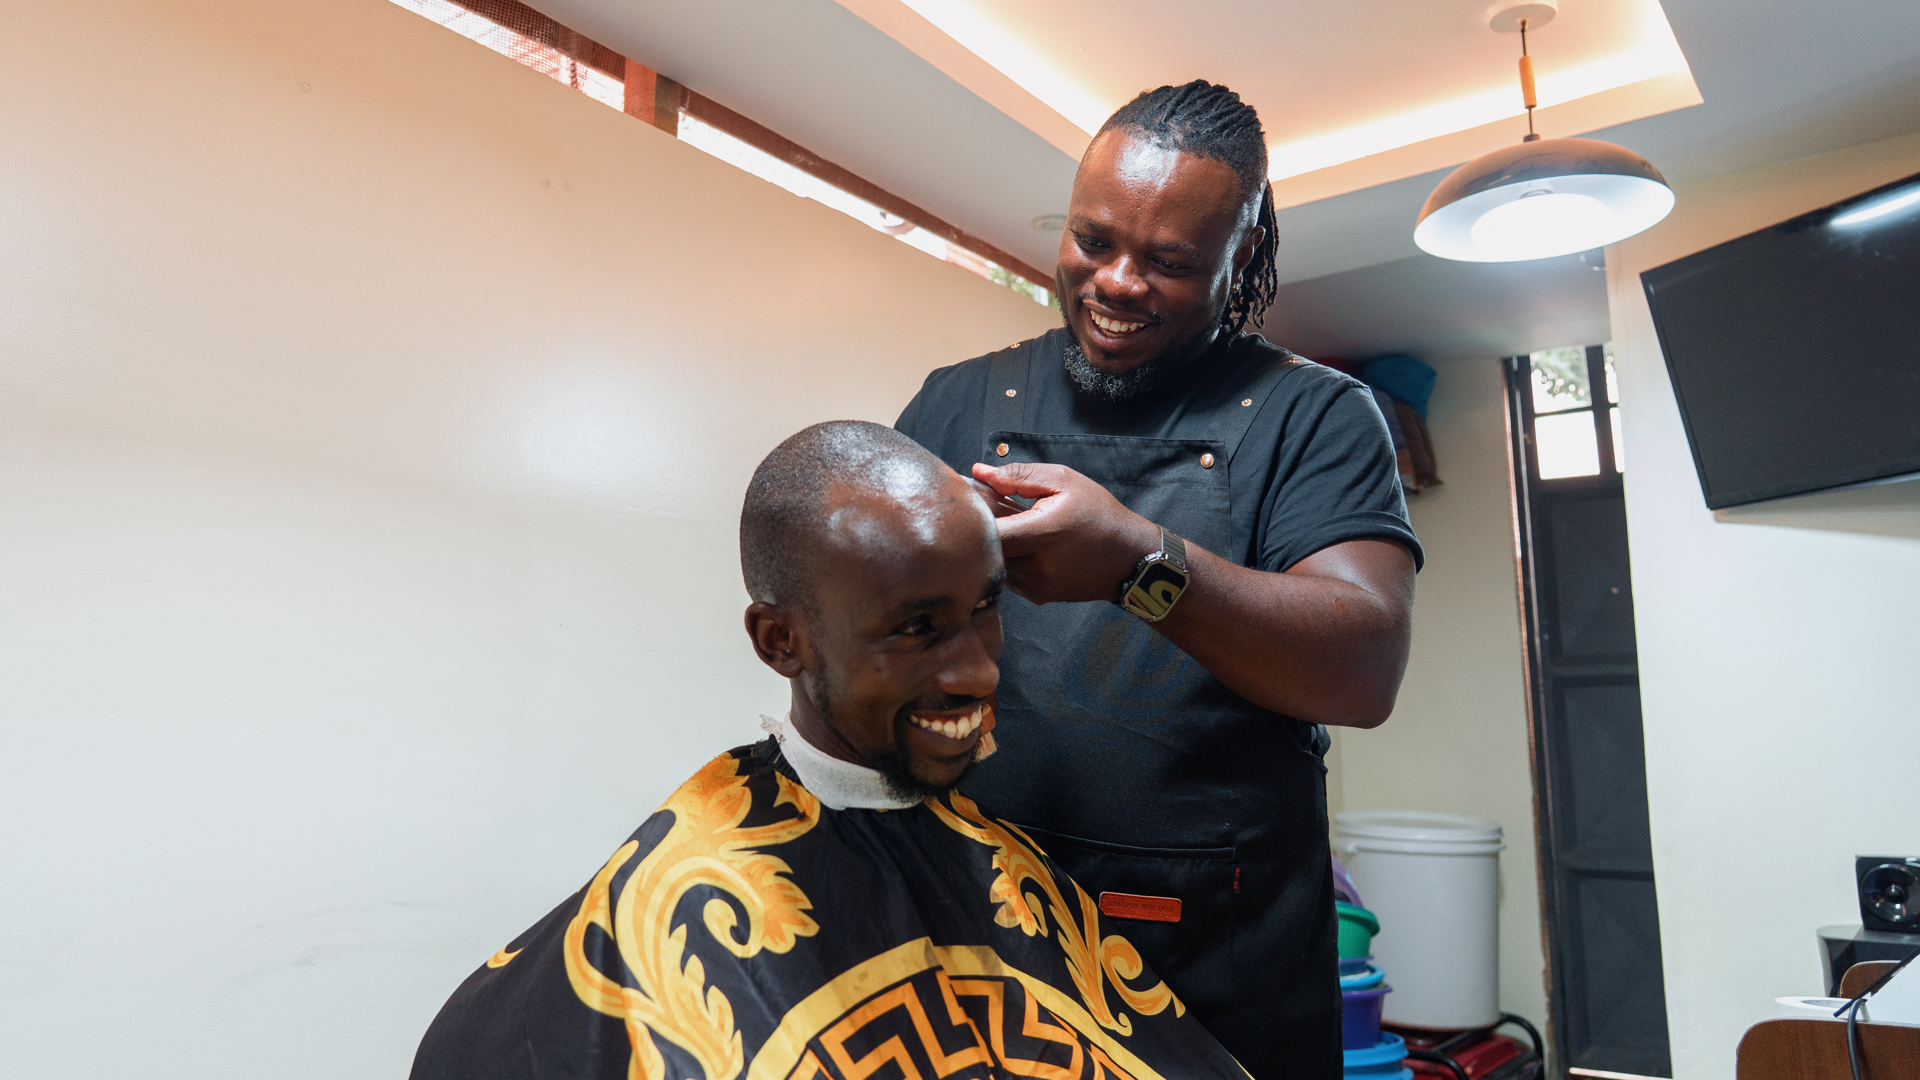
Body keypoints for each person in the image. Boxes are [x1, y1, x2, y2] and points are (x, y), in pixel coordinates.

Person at [411, 421, 1250, 1080]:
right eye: (916, 628)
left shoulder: (1012, 869)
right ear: (781, 641)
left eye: (985, 608)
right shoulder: (665, 911)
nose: (980, 670)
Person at [895, 82, 1423, 1077]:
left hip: (1215, 959)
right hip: (980, 925)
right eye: (1093, 242)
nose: (1118, 282)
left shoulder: (1316, 418)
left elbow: (1363, 668)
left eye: (1171, 262)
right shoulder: (956, 401)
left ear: (1245, 256)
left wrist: (1141, 564)